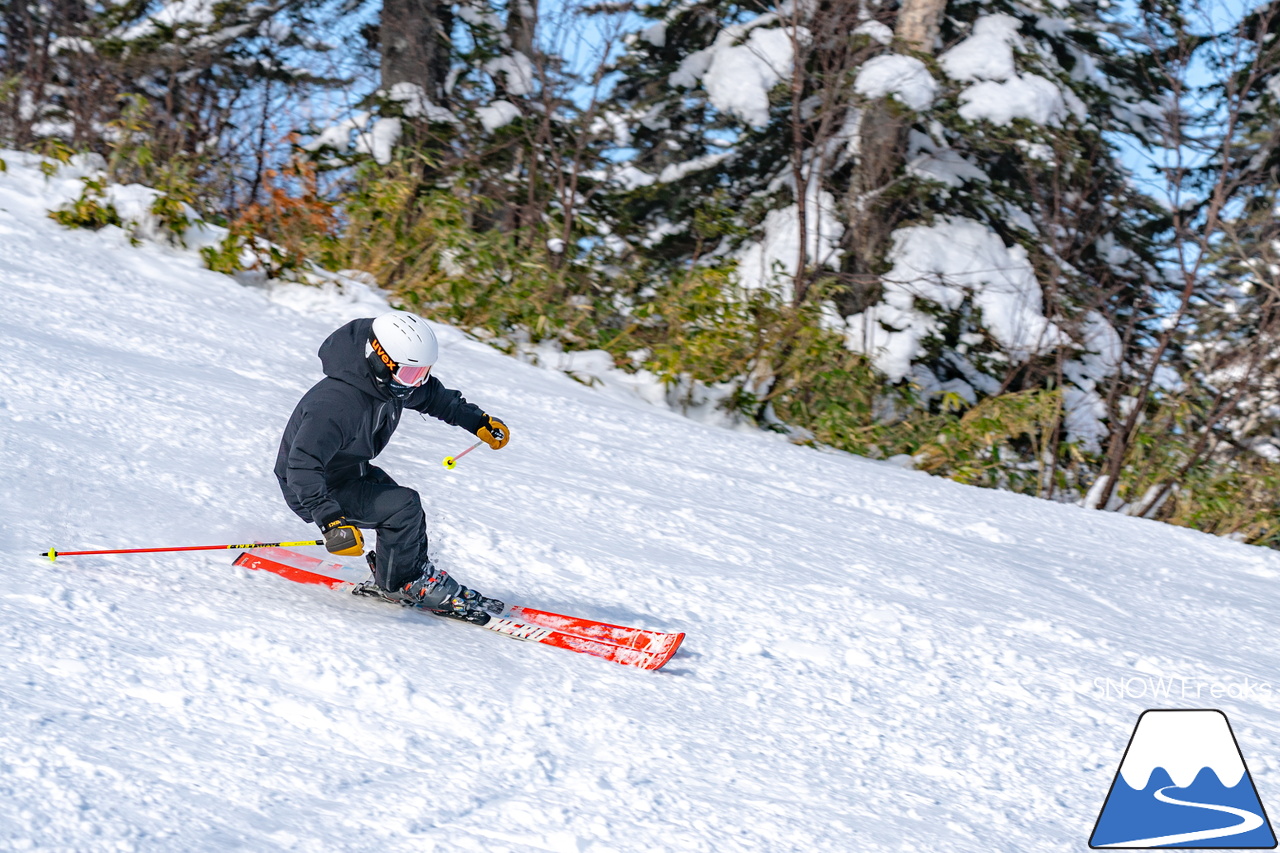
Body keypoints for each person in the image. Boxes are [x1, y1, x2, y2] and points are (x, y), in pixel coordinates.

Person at [274, 310, 510, 623]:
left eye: (422, 372)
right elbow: (301, 466)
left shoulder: (388, 383)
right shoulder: (336, 403)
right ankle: (404, 584)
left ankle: (405, 573)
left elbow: (435, 398)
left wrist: (478, 421)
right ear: (378, 358)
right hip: (314, 487)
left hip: (348, 471)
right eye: (411, 374)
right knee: (403, 507)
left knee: (402, 507)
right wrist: (330, 520)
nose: (416, 383)